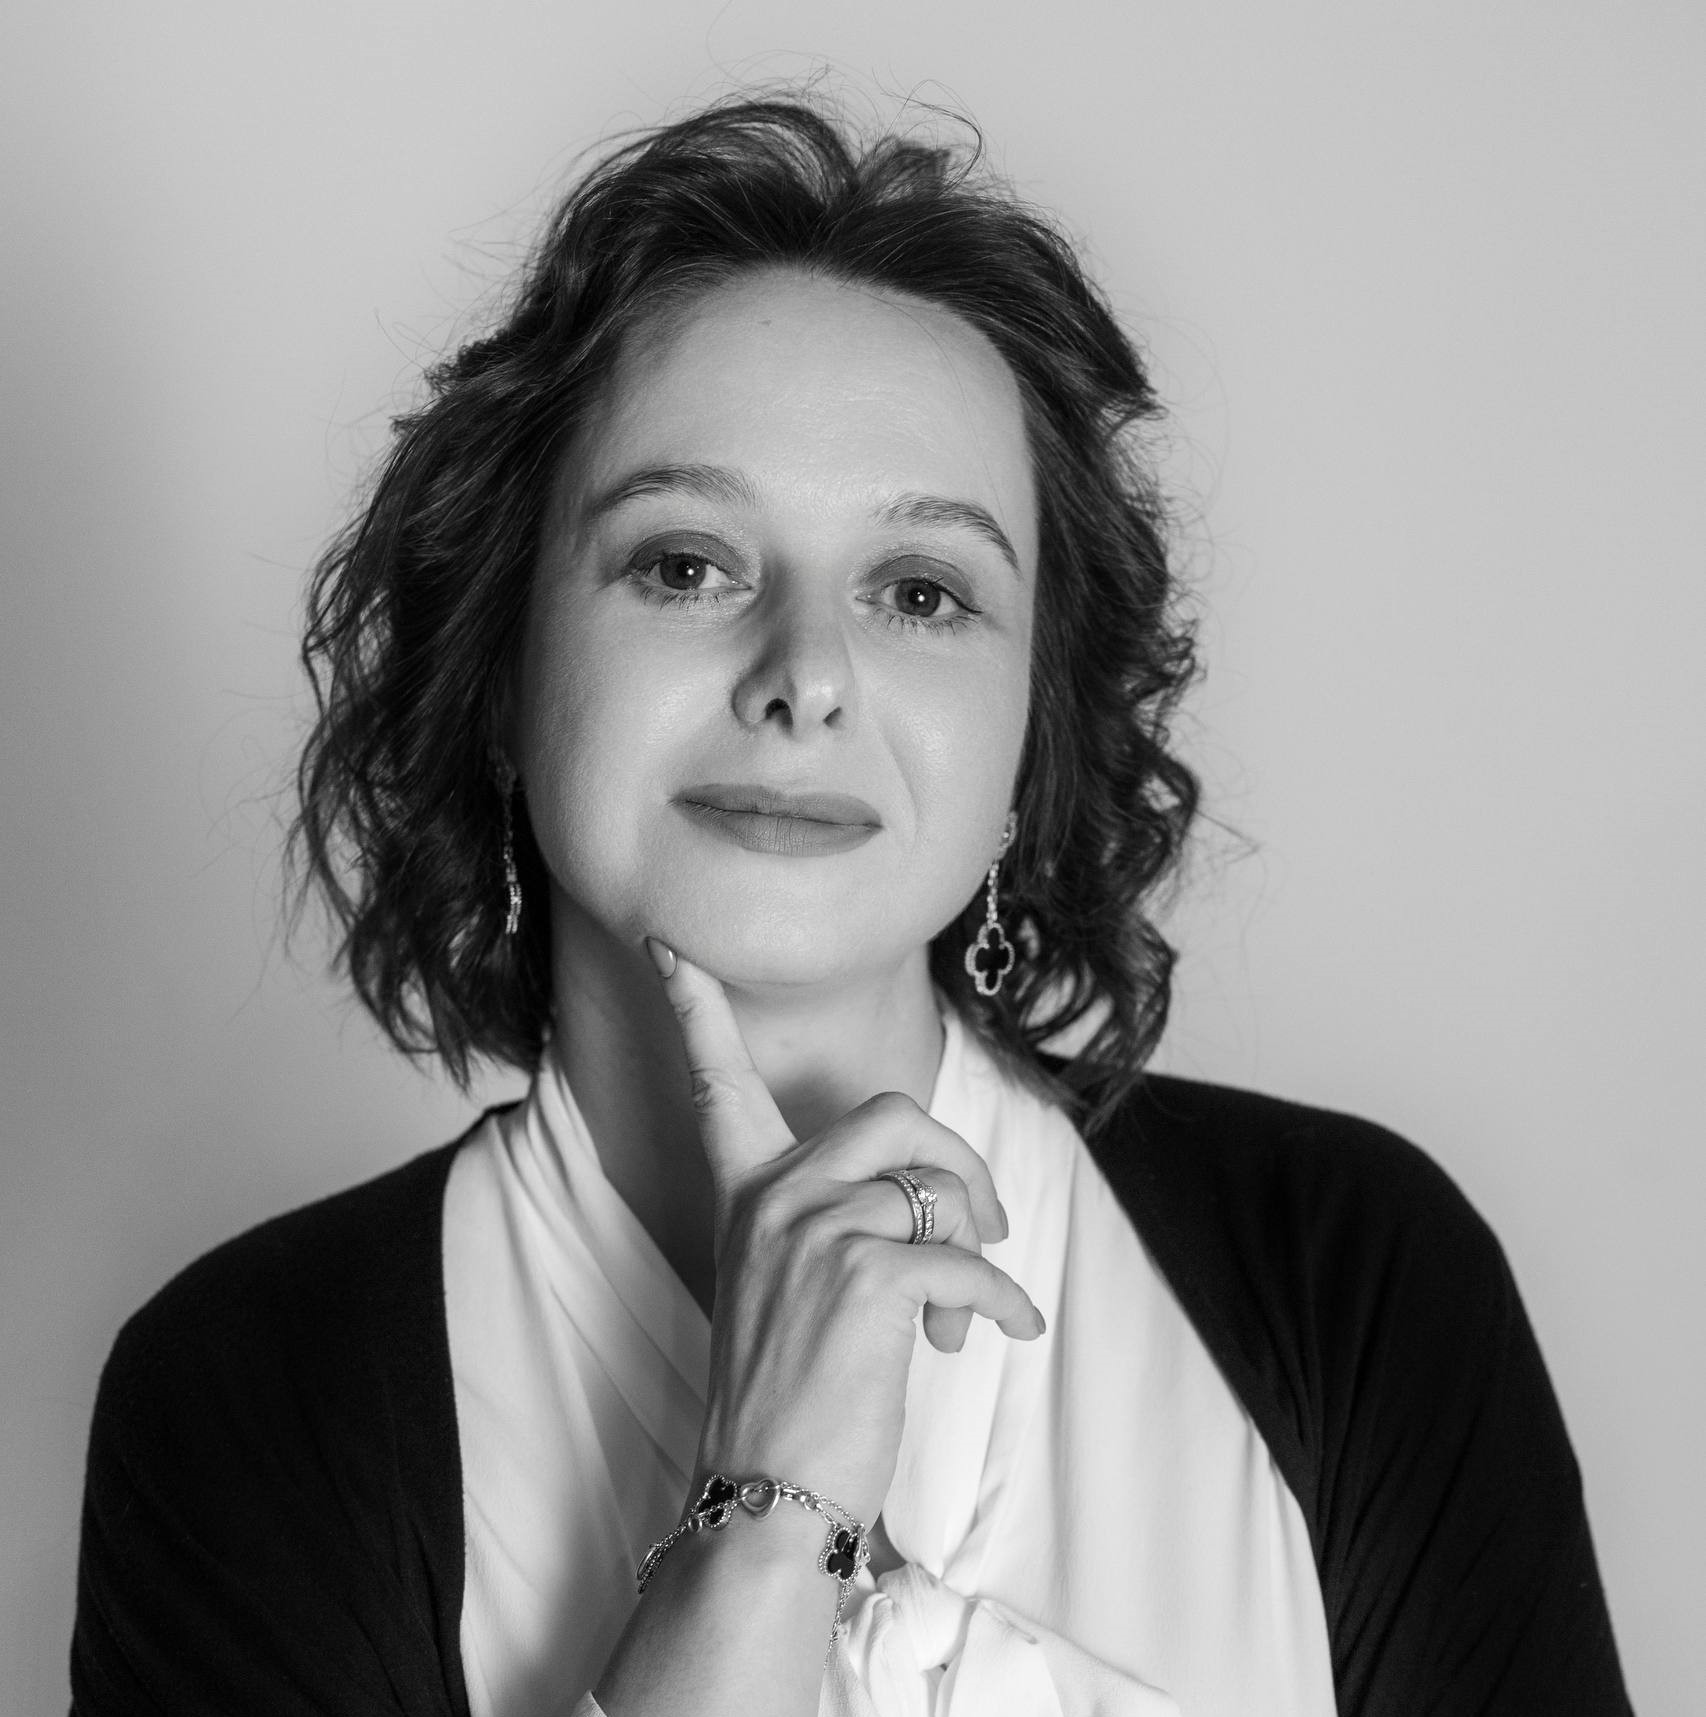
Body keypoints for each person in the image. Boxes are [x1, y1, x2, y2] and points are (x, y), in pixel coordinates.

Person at [69, 93, 1631, 1717]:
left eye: (922, 592)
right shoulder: (251, 1391)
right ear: (501, 673)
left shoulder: (1354, 1279)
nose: (805, 673)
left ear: (1029, 739)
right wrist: (766, 1523)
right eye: (685, 564)